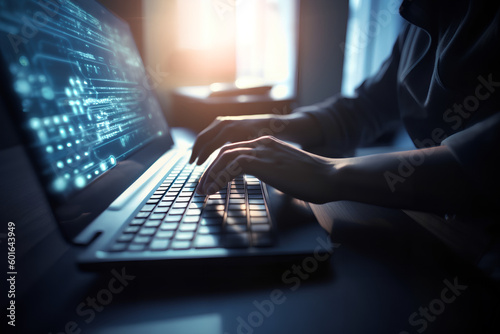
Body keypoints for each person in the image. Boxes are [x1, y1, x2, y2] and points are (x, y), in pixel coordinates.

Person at [191, 0, 500, 216]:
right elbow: (367, 106)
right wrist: (272, 124)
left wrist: (327, 173)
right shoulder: (419, 15)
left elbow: (482, 163)